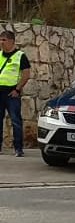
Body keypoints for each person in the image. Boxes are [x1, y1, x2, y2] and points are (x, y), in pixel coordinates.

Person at [0, 29, 30, 157]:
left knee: (16, 121)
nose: (1, 42)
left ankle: (18, 148)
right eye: (0, 40)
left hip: (12, 93)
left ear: (11, 41)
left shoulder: (20, 56)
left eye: (4, 40)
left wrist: (17, 89)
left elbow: (26, 74)